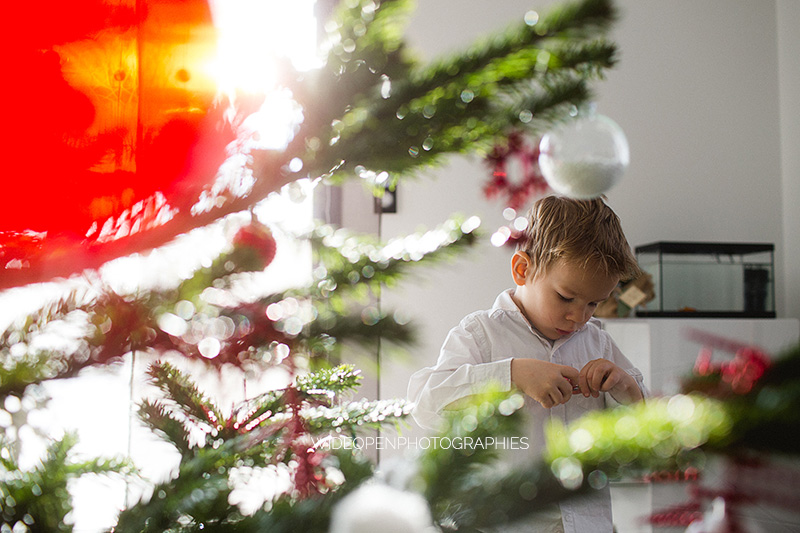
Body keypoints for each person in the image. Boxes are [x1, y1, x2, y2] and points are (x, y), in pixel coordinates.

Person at [407, 194, 647, 533]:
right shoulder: (481, 334)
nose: (579, 316)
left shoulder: (599, 342)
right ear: (523, 269)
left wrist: (627, 388)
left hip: (585, 523)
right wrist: (512, 374)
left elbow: (645, 432)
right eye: (566, 297)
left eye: (594, 303)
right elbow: (425, 404)